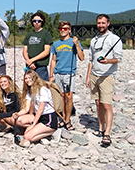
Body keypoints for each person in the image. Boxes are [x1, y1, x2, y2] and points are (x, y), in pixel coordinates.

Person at [86, 14, 123, 147]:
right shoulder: (94, 40)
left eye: (103, 23)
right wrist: (88, 76)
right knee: (98, 104)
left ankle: (107, 132)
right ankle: (101, 128)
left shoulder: (115, 39)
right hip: (94, 75)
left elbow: (118, 58)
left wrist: (108, 61)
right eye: (98, 23)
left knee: (106, 105)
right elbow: (91, 60)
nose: (100, 25)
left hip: (107, 76)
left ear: (108, 23)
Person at [49, 21, 85, 131]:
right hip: (58, 73)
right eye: (61, 29)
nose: (63, 30)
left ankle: (67, 120)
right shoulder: (55, 44)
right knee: (61, 97)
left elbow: (82, 57)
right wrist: (51, 75)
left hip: (69, 74)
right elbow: (53, 60)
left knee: (69, 97)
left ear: (69, 30)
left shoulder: (73, 42)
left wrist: (76, 44)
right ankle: (62, 119)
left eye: (65, 29)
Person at [13, 69, 58, 144]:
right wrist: (18, 114)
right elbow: (26, 108)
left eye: (29, 78)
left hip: (47, 117)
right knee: (19, 120)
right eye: (26, 78)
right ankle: (39, 131)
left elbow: (41, 109)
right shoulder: (30, 90)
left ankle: (52, 132)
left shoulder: (43, 89)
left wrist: (33, 124)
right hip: (38, 116)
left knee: (27, 136)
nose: (27, 80)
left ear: (34, 78)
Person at [22, 11, 53, 81]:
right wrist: (29, 62)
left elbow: (46, 51)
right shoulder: (29, 34)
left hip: (41, 66)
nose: (36, 22)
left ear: (42, 22)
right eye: (34, 21)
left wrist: (32, 60)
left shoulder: (46, 34)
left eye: (39, 21)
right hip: (30, 66)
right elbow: (24, 51)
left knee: (42, 88)